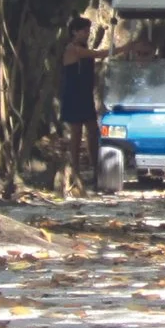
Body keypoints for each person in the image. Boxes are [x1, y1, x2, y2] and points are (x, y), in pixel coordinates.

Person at [58, 15, 107, 196]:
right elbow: (98, 54)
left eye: (88, 31)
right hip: (73, 95)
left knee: (93, 132)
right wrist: (126, 47)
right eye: (84, 31)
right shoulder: (73, 49)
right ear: (74, 32)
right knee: (76, 134)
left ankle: (96, 168)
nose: (87, 34)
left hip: (85, 95)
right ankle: (75, 171)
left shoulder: (83, 48)